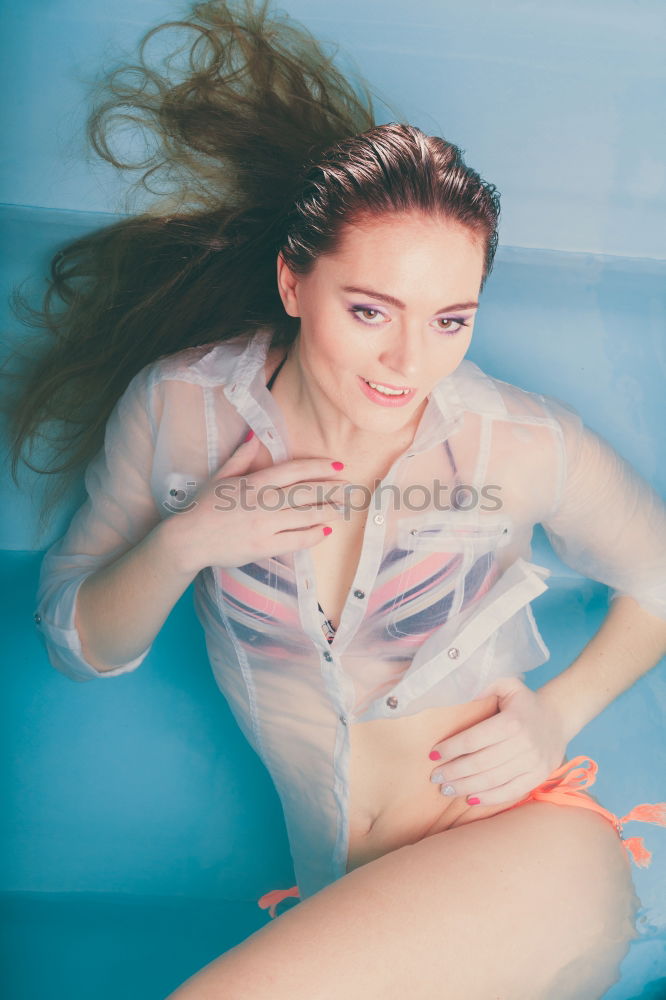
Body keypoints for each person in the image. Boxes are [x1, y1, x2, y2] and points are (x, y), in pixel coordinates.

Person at [5, 1, 666, 997]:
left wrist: (557, 713)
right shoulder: (181, 410)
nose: (410, 361)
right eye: (370, 311)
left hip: (531, 850)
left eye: (451, 319)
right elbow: (76, 640)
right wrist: (187, 540)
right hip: (348, 896)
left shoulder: (523, 442)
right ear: (292, 281)